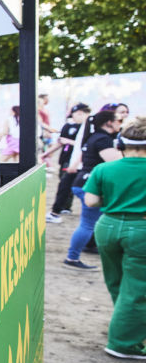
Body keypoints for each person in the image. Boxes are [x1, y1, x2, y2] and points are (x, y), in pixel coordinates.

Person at [83, 115, 146, 359]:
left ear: (120, 143)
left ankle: (128, 329)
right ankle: (123, 343)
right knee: (138, 288)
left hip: (107, 226)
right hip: (141, 230)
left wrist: (117, 199)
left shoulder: (103, 169)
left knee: (117, 282)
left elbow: (91, 201)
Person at [64, 109, 124, 270]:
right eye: (119, 120)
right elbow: (117, 163)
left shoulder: (95, 137)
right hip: (90, 186)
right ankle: (72, 258)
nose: (121, 123)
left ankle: (77, 254)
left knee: (90, 223)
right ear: (109, 122)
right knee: (88, 224)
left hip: (84, 183)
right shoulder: (102, 139)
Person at [46, 103, 91, 224]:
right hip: (70, 161)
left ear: (81, 113)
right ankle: (57, 211)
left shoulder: (90, 126)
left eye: (75, 114)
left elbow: (86, 146)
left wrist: (75, 164)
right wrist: (46, 153)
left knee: (76, 187)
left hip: (81, 165)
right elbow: (61, 142)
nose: (73, 117)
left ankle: (62, 209)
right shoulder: (71, 126)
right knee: (64, 185)